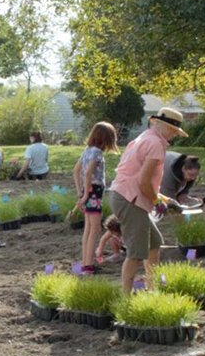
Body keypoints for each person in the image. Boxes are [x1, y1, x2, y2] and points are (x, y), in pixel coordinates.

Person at [105, 106, 189, 292]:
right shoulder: (156, 145)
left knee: (154, 243)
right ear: (164, 127)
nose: (174, 135)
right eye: (174, 131)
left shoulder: (142, 138)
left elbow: (141, 181)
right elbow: (143, 183)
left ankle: (152, 288)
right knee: (136, 252)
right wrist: (158, 202)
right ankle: (125, 298)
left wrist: (166, 200)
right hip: (130, 199)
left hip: (123, 194)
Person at [72, 122, 118, 275]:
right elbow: (87, 173)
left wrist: (81, 192)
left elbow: (76, 170)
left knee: (88, 229)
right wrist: (85, 195)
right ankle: (88, 266)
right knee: (95, 229)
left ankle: (86, 262)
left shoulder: (87, 150)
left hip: (88, 191)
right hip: (94, 192)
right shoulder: (97, 152)